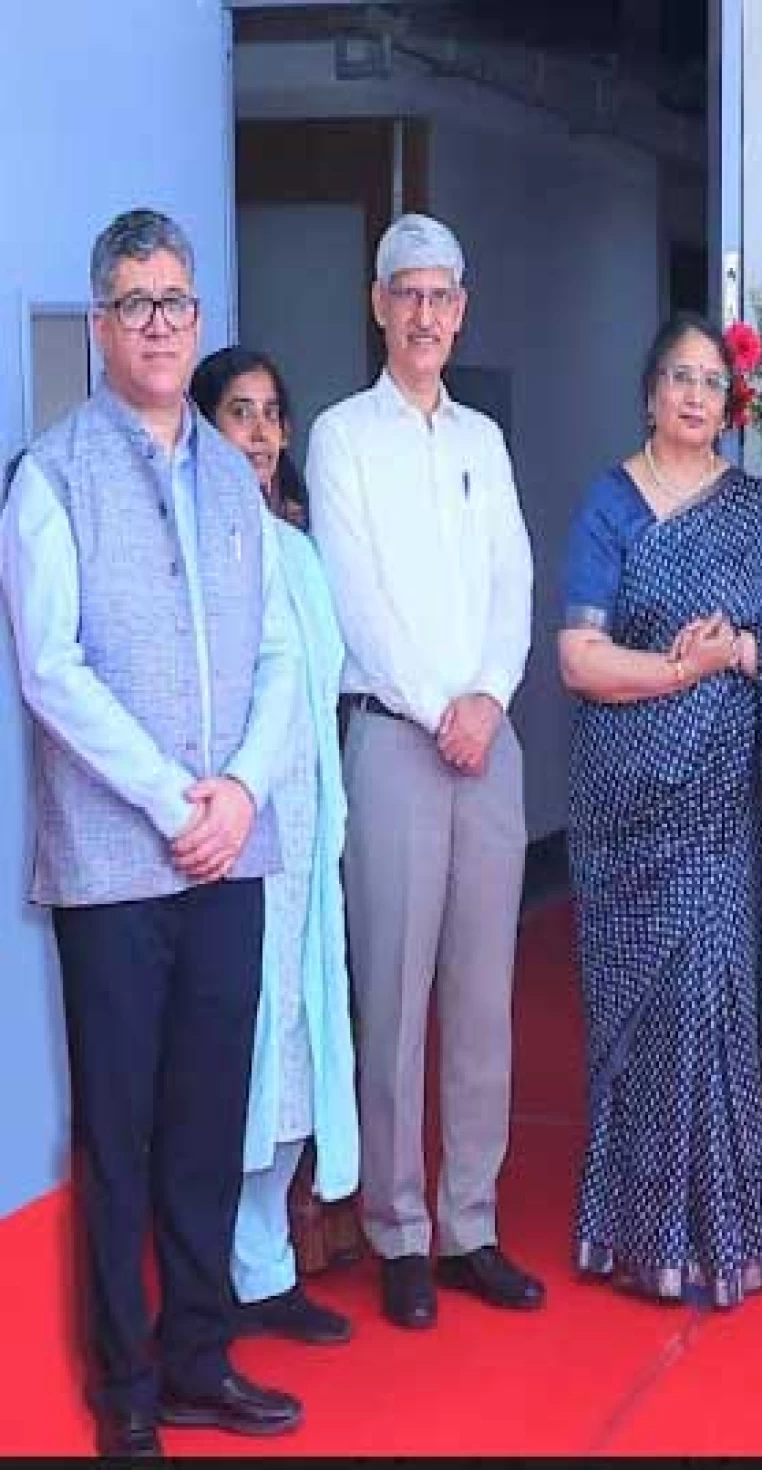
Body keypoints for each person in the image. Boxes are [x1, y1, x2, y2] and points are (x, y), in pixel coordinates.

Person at [0, 209, 303, 1454]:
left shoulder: (237, 474)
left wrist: (237, 788)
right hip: (118, 868)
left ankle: (199, 1361)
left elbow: (282, 650)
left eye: (179, 302)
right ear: (101, 322)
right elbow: (49, 671)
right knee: (119, 1136)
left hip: (231, 847)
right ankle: (126, 1393)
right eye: (137, 305)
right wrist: (170, 798)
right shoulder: (49, 473)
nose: (163, 325)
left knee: (205, 1123)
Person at [558, 311, 762, 1306]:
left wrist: (742, 653)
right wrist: (682, 668)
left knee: (716, 1003)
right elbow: (577, 659)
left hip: (727, 813)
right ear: (649, 394)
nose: (694, 396)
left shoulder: (754, 514)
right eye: (678, 378)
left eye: (711, 384)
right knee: (641, 1020)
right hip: (624, 807)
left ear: (729, 409)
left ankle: (726, 1235)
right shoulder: (610, 506)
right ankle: (640, 1235)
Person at [305, 212, 543, 1329]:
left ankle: (470, 1225)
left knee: (483, 1002)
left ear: (463, 307)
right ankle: (397, 1228)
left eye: (443, 296)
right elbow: (357, 596)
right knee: (393, 995)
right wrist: (435, 706)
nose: (426, 314)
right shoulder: (344, 438)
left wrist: (489, 695)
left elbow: (515, 582)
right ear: (377, 304)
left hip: (488, 740)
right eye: (407, 293)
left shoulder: (484, 442)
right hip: (396, 740)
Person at [190, 346, 359, 1347]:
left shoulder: (296, 552)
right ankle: (208, 1277)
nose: (257, 433)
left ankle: (266, 1265)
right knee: (232, 1054)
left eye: (270, 415)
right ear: (204, 429)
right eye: (237, 413)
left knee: (298, 1041)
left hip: (303, 837)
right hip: (229, 838)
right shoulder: (199, 547)